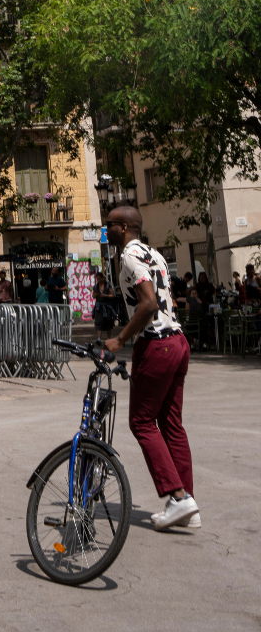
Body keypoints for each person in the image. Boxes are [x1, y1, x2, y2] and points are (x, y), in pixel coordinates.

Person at [103, 207, 199, 531]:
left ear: (124, 227)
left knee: (142, 422)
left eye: (109, 226)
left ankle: (178, 496)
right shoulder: (154, 254)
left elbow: (148, 304)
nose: (106, 231)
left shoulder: (129, 256)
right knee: (172, 425)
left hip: (156, 344)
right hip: (178, 341)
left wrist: (120, 339)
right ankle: (188, 504)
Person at [92, 272, 116, 340]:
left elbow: (113, 295)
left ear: (103, 278)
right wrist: (97, 294)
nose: (99, 280)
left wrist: (106, 295)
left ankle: (108, 338)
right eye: (97, 279)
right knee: (98, 322)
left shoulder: (108, 286)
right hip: (99, 306)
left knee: (108, 322)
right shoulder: (96, 286)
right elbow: (93, 296)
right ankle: (99, 338)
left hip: (107, 306)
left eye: (100, 279)